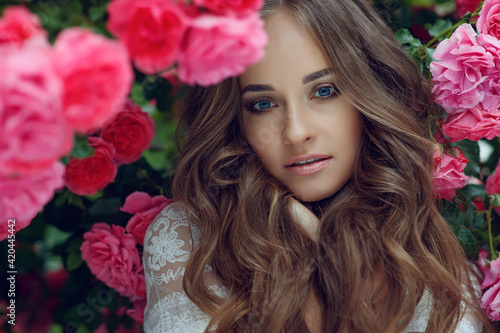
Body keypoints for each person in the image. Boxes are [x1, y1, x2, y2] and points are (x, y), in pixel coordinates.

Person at [142, 0, 495, 332]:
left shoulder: (432, 243)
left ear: (368, 93)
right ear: (235, 120)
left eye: (324, 91)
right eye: (263, 104)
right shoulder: (189, 238)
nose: (296, 132)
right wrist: (302, 266)